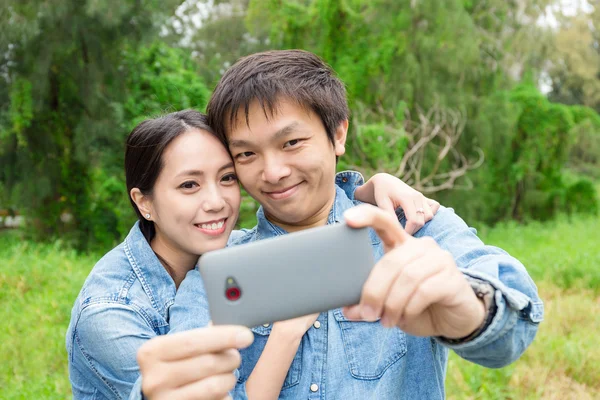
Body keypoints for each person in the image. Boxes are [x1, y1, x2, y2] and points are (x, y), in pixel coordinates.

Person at [198, 49, 545, 399]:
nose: (272, 172)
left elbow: (514, 326)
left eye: (291, 142)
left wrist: (467, 307)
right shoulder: (220, 269)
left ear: (338, 134)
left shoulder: (413, 225)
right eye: (246, 154)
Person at [65, 110, 439, 400]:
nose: (216, 202)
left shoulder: (230, 254)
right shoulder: (109, 314)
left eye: (227, 178)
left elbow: (319, 214)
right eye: (189, 185)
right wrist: (289, 329)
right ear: (144, 202)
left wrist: (369, 189)